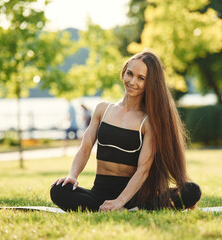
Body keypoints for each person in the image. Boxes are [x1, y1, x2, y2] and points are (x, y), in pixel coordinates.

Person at [51, 51, 201, 212]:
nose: (132, 81)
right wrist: (72, 175)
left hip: (135, 196)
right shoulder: (103, 109)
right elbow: (85, 147)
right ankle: (127, 209)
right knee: (58, 190)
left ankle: (133, 208)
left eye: (141, 78)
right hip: (99, 193)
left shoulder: (149, 121)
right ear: (124, 72)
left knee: (191, 190)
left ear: (150, 83)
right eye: (129, 74)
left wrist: (119, 201)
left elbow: (144, 169)